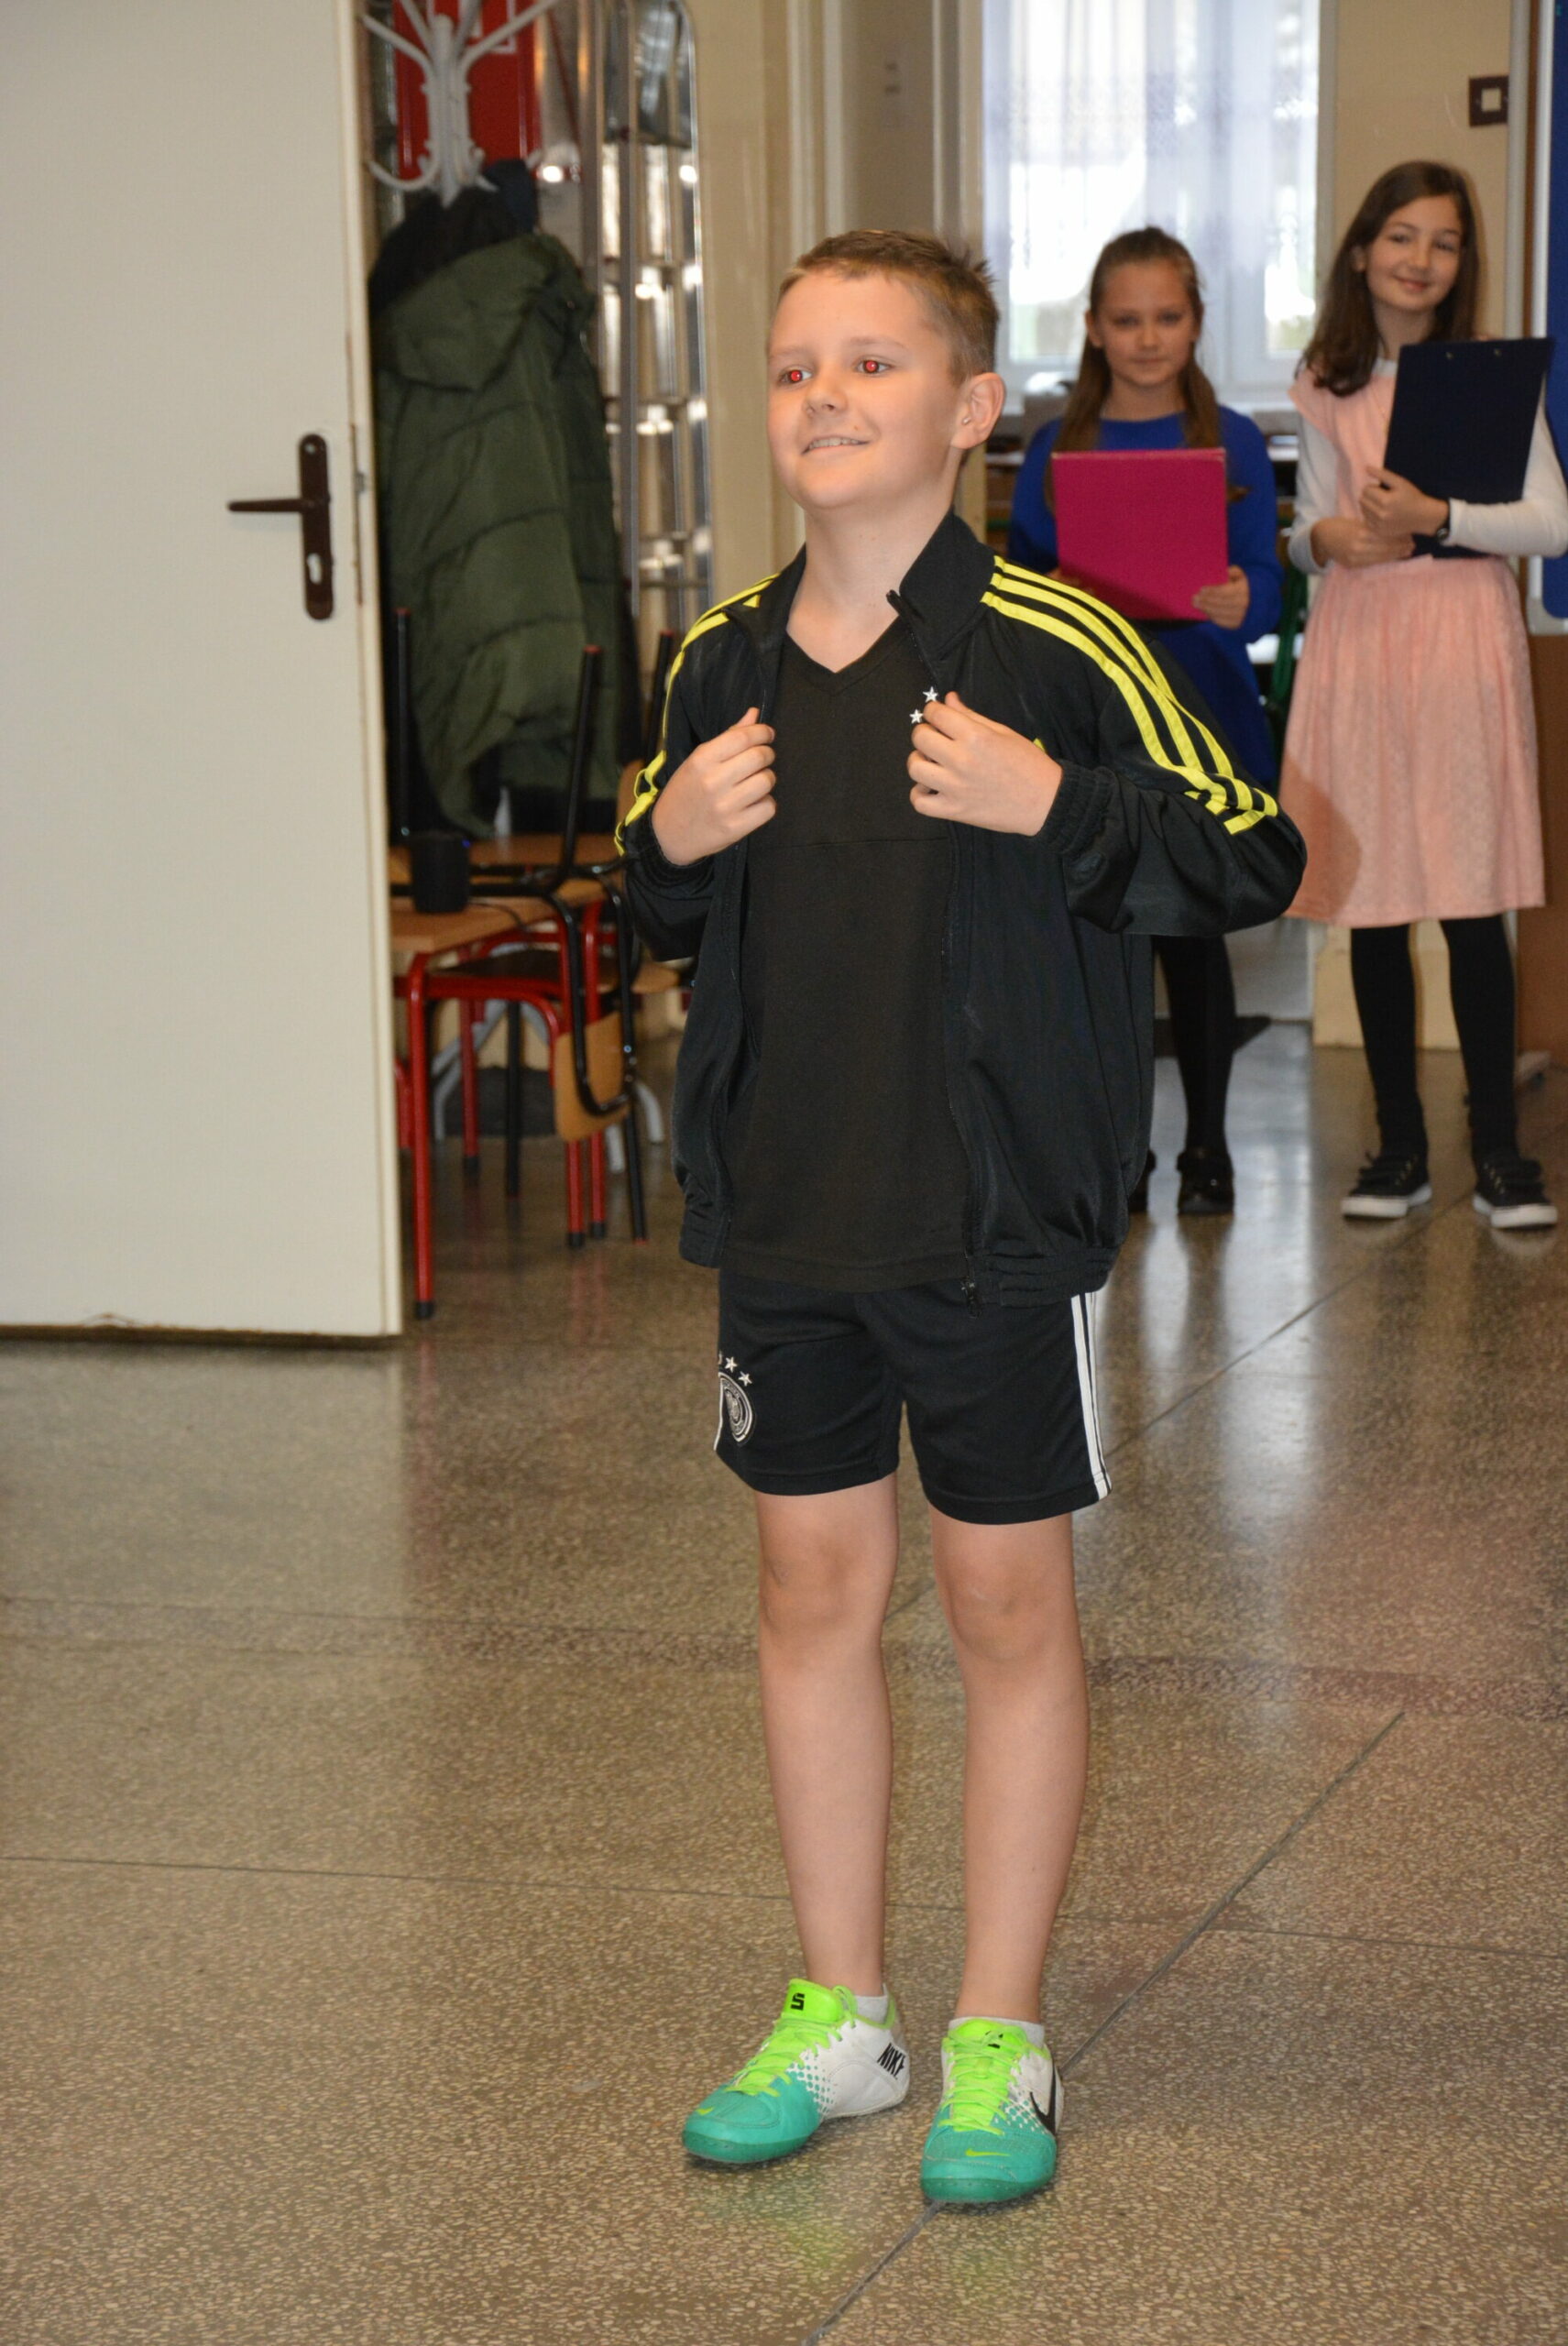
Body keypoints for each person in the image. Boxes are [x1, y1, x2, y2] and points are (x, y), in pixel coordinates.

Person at [619, 230, 1303, 2207]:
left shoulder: (1057, 645)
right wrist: (664, 845)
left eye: (871, 362)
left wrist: (1053, 806)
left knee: (1006, 1610)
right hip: (789, 1213)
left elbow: (1252, 851)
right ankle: (843, 2012)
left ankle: (1000, 2031)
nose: (823, 397)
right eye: (792, 367)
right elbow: (653, 899)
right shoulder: (718, 656)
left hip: (992, 1220)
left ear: (974, 409)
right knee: (807, 1596)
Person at [1282, 159, 1567, 1228]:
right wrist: (1330, 539)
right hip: (1361, 642)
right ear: (1362, 249)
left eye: (1443, 242)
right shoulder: (1326, 379)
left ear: (1461, 264)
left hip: (1458, 642)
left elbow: (1551, 524)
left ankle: (1497, 1149)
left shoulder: (1486, 376)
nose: (1419, 259)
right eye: (1400, 236)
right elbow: (1307, 529)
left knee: (1469, 896)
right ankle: (1396, 1146)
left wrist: (1439, 517)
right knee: (1374, 902)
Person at [1008, 226, 1284, 1217]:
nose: (1147, 338)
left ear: (1196, 322)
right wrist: (1053, 596)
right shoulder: (1056, 448)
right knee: (1105, 945)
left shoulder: (1234, 440)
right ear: (1092, 327)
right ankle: (1121, 1153)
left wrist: (1241, 596)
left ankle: (1207, 1147)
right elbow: (1019, 597)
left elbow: (1264, 587)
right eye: (1126, 320)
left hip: (1200, 711)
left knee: (1194, 940)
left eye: (1167, 317)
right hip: (1093, 726)